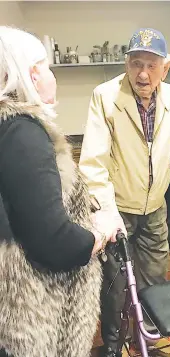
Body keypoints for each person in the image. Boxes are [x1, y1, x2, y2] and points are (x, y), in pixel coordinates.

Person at [79, 28, 170, 357]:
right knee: (114, 283)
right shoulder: (105, 96)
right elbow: (94, 162)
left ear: (165, 68)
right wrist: (107, 212)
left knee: (155, 279)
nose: (143, 73)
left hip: (155, 208)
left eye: (152, 65)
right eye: (136, 63)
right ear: (126, 63)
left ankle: (149, 344)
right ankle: (113, 344)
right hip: (118, 209)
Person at [0, 26, 115, 357]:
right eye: (48, 67)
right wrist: (99, 232)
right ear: (34, 75)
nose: (52, 76)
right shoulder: (23, 133)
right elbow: (54, 241)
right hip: (29, 317)